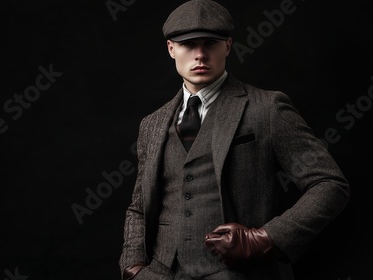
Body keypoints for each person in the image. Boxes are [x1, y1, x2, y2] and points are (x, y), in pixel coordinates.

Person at [119, 0, 350, 279]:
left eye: (211, 43)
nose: (200, 55)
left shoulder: (267, 108)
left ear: (227, 46)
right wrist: (133, 268)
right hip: (161, 272)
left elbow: (329, 184)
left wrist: (265, 238)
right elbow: (138, 207)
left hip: (241, 274)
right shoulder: (152, 124)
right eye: (188, 44)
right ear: (171, 49)